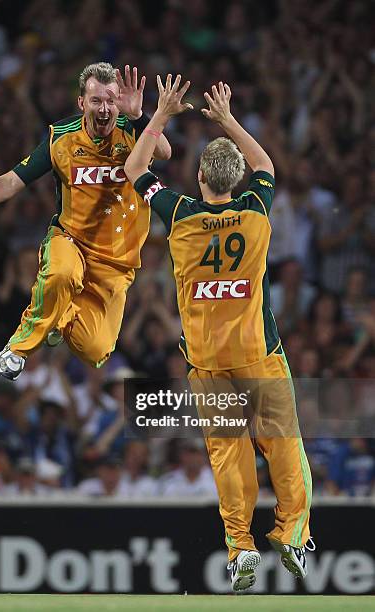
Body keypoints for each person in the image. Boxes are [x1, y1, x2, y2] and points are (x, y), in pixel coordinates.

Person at [124, 75, 313, 592]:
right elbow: (267, 167)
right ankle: (292, 534)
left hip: (208, 362)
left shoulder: (180, 214)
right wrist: (227, 118)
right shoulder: (254, 212)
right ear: (235, 180)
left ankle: (240, 548)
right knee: (283, 444)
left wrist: (160, 114)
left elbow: (136, 169)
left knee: (228, 453)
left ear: (200, 175)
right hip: (258, 353)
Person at [0, 63, 171, 380]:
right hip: (71, 241)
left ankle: (61, 316)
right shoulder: (60, 139)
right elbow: (12, 181)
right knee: (62, 273)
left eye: (110, 101)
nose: (104, 109)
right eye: (96, 101)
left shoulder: (132, 128)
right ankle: (19, 347)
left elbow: (164, 151)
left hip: (117, 262)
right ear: (82, 102)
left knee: (96, 351)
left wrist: (137, 116)